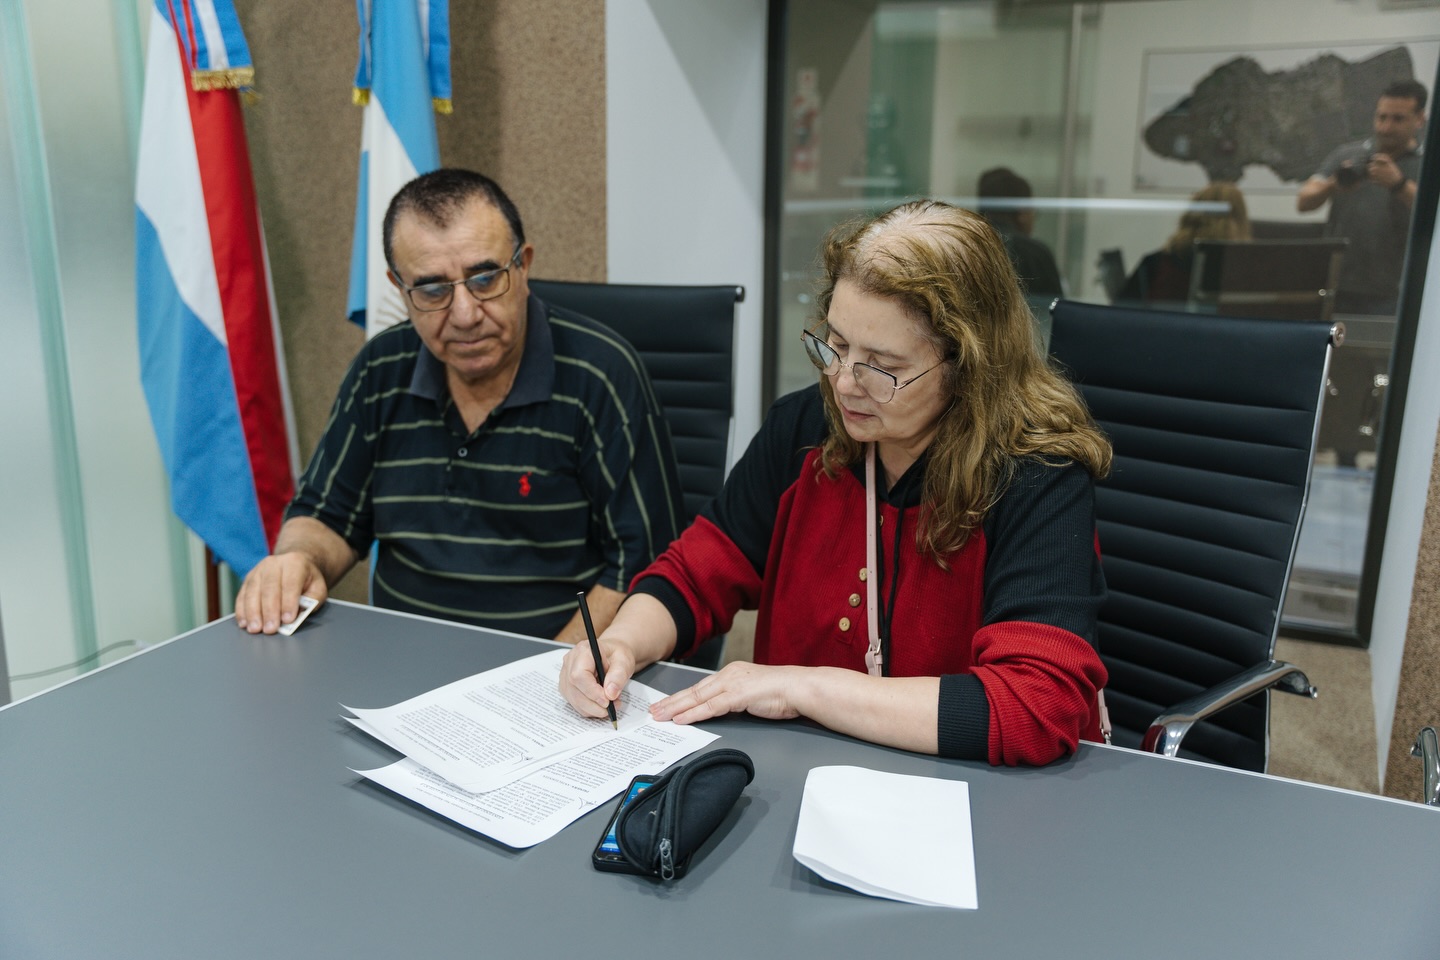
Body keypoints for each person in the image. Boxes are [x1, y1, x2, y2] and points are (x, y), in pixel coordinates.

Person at [560, 200, 1112, 767]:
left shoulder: (1037, 475)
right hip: (799, 769)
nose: (844, 383)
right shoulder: (805, 426)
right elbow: (698, 571)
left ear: (967, 363)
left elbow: (1034, 706)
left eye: (881, 365)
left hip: (962, 786)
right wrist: (622, 642)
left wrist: (801, 687)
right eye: (837, 345)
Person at [235, 169, 683, 643]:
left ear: (523, 267)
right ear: (400, 289)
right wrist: (298, 559)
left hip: (554, 665)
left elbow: (643, 566)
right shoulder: (379, 370)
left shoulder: (601, 375)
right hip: (402, 663)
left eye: (485, 279)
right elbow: (328, 515)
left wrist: (550, 669)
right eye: (433, 290)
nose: (465, 314)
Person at [1297, 79, 1426, 314]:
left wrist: (1398, 184)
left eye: (1398, 119)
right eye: (1381, 117)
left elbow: (1433, 215)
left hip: (1394, 291)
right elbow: (1304, 202)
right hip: (1335, 285)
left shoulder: (1427, 165)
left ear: (1419, 120)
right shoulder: (1347, 155)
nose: (1385, 127)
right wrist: (1333, 184)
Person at [1117, 181, 1250, 305]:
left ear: (1191, 216)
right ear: (1240, 220)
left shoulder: (1157, 263)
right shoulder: (1247, 273)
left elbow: (1122, 310)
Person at [976, 167, 1064, 299]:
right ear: (1022, 212)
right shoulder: (1035, 254)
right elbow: (1056, 307)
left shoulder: (968, 245)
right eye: (1032, 211)